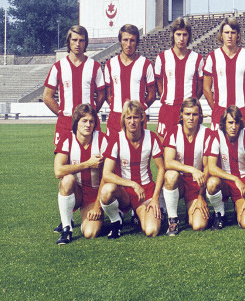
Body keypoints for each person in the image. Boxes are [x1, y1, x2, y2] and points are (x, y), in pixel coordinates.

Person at [98, 100, 165, 238]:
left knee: (151, 230)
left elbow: (162, 169)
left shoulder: (151, 137)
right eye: (129, 117)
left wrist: (155, 198)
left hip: (145, 191)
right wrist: (133, 184)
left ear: (142, 118)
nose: (132, 121)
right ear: (124, 120)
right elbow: (106, 174)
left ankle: (138, 213)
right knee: (106, 191)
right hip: (124, 192)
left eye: (136, 117)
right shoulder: (116, 139)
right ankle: (116, 219)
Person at [43, 25, 106, 148]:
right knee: (63, 162)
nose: (78, 44)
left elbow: (101, 95)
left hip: (89, 122)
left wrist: (91, 113)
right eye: (74, 40)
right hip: (66, 121)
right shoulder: (58, 66)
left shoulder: (95, 66)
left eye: (81, 40)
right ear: (69, 42)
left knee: (93, 161)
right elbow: (47, 96)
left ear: (86, 43)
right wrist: (61, 112)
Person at [161, 98, 217, 235]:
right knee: (170, 175)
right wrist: (192, 169)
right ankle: (173, 220)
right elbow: (168, 162)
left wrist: (201, 196)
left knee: (199, 225)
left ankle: (191, 212)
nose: (191, 118)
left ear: (200, 116)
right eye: (187, 114)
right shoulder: (173, 132)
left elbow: (207, 169)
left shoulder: (207, 134)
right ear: (181, 115)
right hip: (179, 183)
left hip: (197, 185)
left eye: (194, 114)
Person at [53, 103, 107, 245]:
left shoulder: (102, 139)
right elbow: (58, 171)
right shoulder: (67, 139)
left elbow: (108, 176)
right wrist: (87, 164)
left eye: (91, 121)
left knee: (90, 233)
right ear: (76, 122)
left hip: (94, 195)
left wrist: (97, 206)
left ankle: (93, 216)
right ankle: (67, 228)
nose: (88, 125)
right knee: (67, 180)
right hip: (77, 192)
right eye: (84, 121)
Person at [206, 105, 245, 229]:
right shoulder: (216, 135)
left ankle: (238, 205)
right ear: (224, 123)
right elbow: (211, 168)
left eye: (236, 123)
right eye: (230, 122)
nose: (233, 127)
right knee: (212, 183)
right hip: (224, 182)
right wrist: (234, 179)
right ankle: (220, 213)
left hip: (243, 183)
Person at [153, 17, 204, 141]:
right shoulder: (162, 57)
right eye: (178, 34)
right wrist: (167, 98)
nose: (181, 38)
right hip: (168, 110)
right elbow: (159, 84)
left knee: (190, 149)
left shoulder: (197, 59)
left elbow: (200, 87)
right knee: (164, 148)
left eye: (185, 35)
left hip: (188, 111)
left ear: (189, 36)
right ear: (173, 35)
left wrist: (190, 101)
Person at [103, 24, 157, 137]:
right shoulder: (110, 64)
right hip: (115, 118)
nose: (128, 44)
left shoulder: (145, 64)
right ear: (120, 41)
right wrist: (115, 107)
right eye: (125, 40)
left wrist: (139, 110)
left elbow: (152, 95)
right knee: (112, 153)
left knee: (137, 153)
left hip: (136, 119)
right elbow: (108, 94)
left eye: (132, 40)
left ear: (137, 42)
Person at [203, 16, 245, 128]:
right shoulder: (212, 57)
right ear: (221, 35)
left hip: (242, 111)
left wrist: (244, 105)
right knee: (217, 144)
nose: (229, 36)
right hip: (220, 111)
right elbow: (206, 88)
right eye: (226, 32)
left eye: (233, 32)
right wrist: (216, 107)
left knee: (243, 144)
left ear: (238, 35)